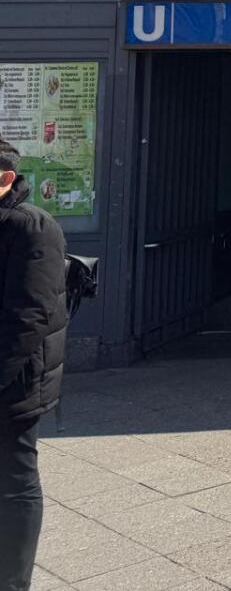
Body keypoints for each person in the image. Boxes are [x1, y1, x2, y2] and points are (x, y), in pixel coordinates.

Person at [1, 139, 69, 591]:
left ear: (5, 178)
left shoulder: (32, 227)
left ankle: (12, 579)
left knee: (13, 479)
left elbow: (31, 316)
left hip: (17, 379)